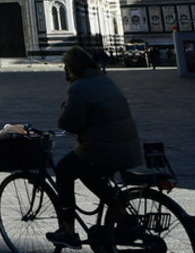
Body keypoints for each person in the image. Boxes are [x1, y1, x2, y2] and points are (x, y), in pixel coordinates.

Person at [47, 46, 143, 250]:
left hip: (104, 149)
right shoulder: (104, 79)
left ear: (70, 68)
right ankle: (124, 217)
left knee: (64, 170)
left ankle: (68, 231)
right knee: (91, 175)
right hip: (129, 147)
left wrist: (65, 109)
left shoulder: (79, 87)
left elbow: (68, 123)